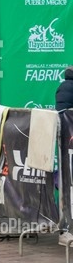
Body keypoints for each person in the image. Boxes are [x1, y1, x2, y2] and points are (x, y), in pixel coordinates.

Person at [56, 66, 73, 246]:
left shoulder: (63, 85)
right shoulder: (70, 87)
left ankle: (66, 227)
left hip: (65, 139)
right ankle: (66, 228)